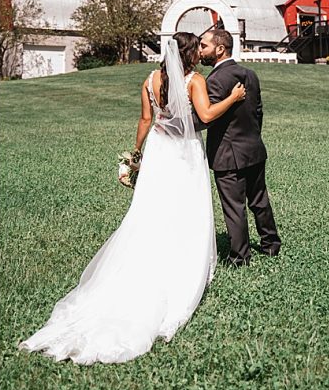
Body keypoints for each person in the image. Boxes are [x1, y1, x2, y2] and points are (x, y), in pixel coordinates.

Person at [19, 32, 245, 365]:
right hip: (183, 154)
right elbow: (208, 116)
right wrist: (234, 97)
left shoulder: (151, 79)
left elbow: (144, 120)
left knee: (149, 211)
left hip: (157, 151)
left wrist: (135, 154)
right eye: (195, 49)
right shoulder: (194, 80)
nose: (199, 53)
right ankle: (183, 263)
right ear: (188, 55)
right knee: (185, 210)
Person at [198, 28, 281, 266]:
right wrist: (253, 137)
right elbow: (258, 112)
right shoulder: (250, 74)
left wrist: (176, 123)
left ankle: (240, 257)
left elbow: (207, 117)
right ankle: (271, 244)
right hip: (253, 148)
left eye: (204, 45)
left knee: (234, 208)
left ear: (220, 49)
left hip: (227, 154)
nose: (200, 50)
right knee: (259, 200)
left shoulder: (215, 79)